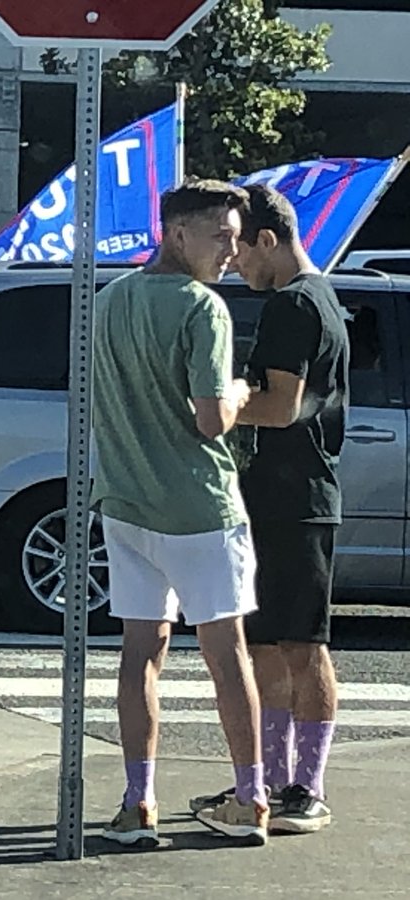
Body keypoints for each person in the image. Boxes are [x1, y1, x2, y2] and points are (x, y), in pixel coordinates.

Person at [93, 180, 269, 848]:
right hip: (199, 505)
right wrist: (240, 390)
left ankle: (140, 801)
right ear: (178, 234)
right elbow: (209, 420)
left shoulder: (109, 301)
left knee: (142, 652)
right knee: (228, 657)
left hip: (127, 499)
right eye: (220, 235)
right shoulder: (204, 309)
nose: (232, 249)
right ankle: (250, 797)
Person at [189, 184, 349, 835]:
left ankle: (306, 787)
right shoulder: (323, 296)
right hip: (280, 495)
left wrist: (212, 405)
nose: (234, 263)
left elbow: (281, 405)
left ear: (268, 239)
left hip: (295, 497)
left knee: (302, 645)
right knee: (263, 646)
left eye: (240, 248)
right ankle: (272, 780)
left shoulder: (292, 305)